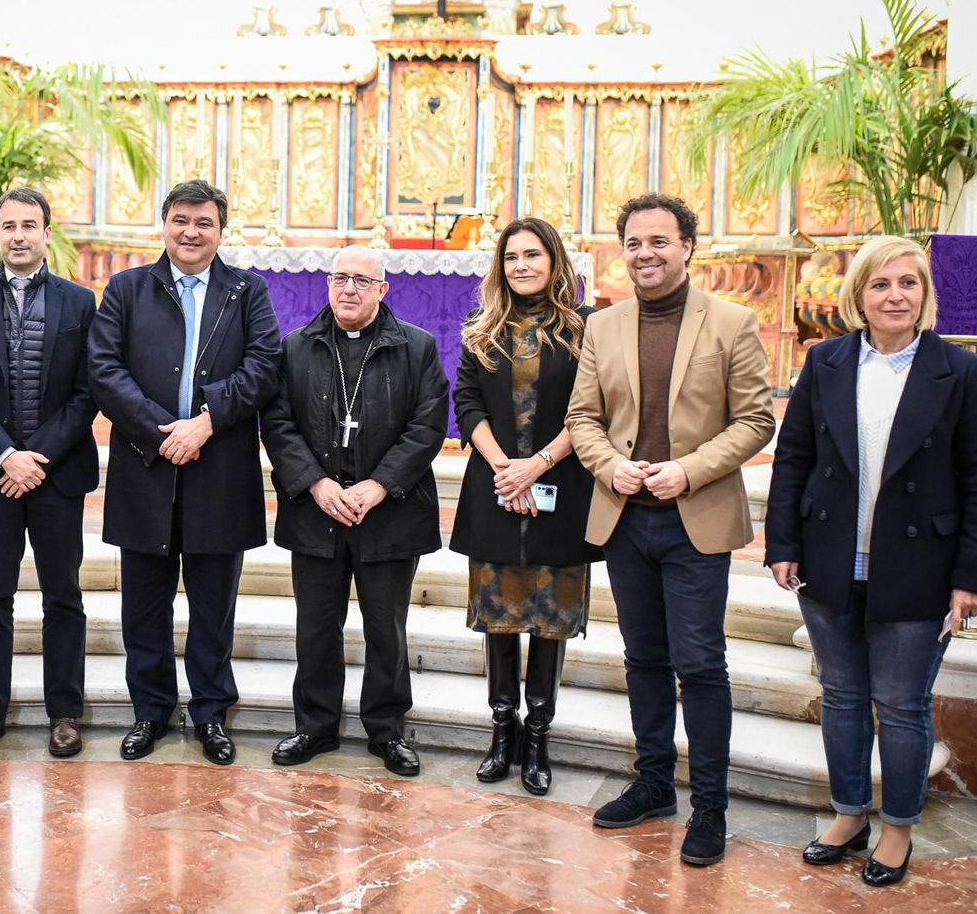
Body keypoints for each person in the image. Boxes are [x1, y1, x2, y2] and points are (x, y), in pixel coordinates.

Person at [765, 236, 977, 887]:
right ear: (859, 295)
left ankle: (897, 826)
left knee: (901, 705)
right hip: (830, 562)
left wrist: (972, 576)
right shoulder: (827, 362)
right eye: (881, 284)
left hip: (921, 567)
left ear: (924, 295)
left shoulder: (961, 372)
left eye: (909, 283)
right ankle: (849, 815)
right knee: (842, 697)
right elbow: (794, 460)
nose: (896, 294)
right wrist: (782, 543)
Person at [566, 193, 774, 866]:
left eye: (659, 240)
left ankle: (710, 806)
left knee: (701, 663)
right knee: (643, 658)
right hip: (627, 517)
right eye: (633, 242)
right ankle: (655, 782)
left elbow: (755, 420)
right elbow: (582, 418)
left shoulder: (733, 322)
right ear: (620, 250)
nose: (645, 253)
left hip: (695, 518)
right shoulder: (603, 325)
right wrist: (612, 466)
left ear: (688, 245)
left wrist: (687, 469)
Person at [88, 178, 280, 765]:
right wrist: (159, 430)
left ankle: (211, 714)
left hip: (218, 469)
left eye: (204, 222)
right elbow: (103, 369)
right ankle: (150, 711)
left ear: (222, 231)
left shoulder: (247, 291)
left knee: (212, 606)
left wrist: (204, 423)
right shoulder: (126, 289)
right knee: (143, 605)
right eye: (181, 220)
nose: (191, 232)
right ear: (164, 224)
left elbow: (264, 365)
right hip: (146, 468)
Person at [261, 245, 447, 776]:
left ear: (382, 290)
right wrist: (316, 484)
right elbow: (277, 424)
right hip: (316, 512)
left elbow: (428, 424)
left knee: (385, 628)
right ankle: (314, 727)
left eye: (362, 281)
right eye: (341, 278)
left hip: (389, 513)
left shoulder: (417, 348)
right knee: (315, 626)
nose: (349, 289)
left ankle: (387, 731)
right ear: (327, 284)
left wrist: (379, 485)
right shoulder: (295, 348)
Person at [0, 188, 97, 758]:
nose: (18, 236)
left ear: (47, 233)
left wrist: (37, 458)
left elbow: (87, 393)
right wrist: (7, 455)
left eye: (29, 225)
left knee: (64, 597)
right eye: (8, 225)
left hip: (56, 476)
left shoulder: (80, 303)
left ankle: (64, 713)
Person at [449, 217, 600, 796]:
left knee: (551, 618)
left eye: (532, 255)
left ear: (553, 261)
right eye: (511, 257)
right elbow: (465, 400)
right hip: (495, 489)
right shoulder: (481, 328)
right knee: (499, 616)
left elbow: (594, 406)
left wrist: (535, 465)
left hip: (560, 488)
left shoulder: (586, 328)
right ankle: (501, 732)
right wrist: (503, 467)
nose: (521, 266)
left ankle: (538, 737)